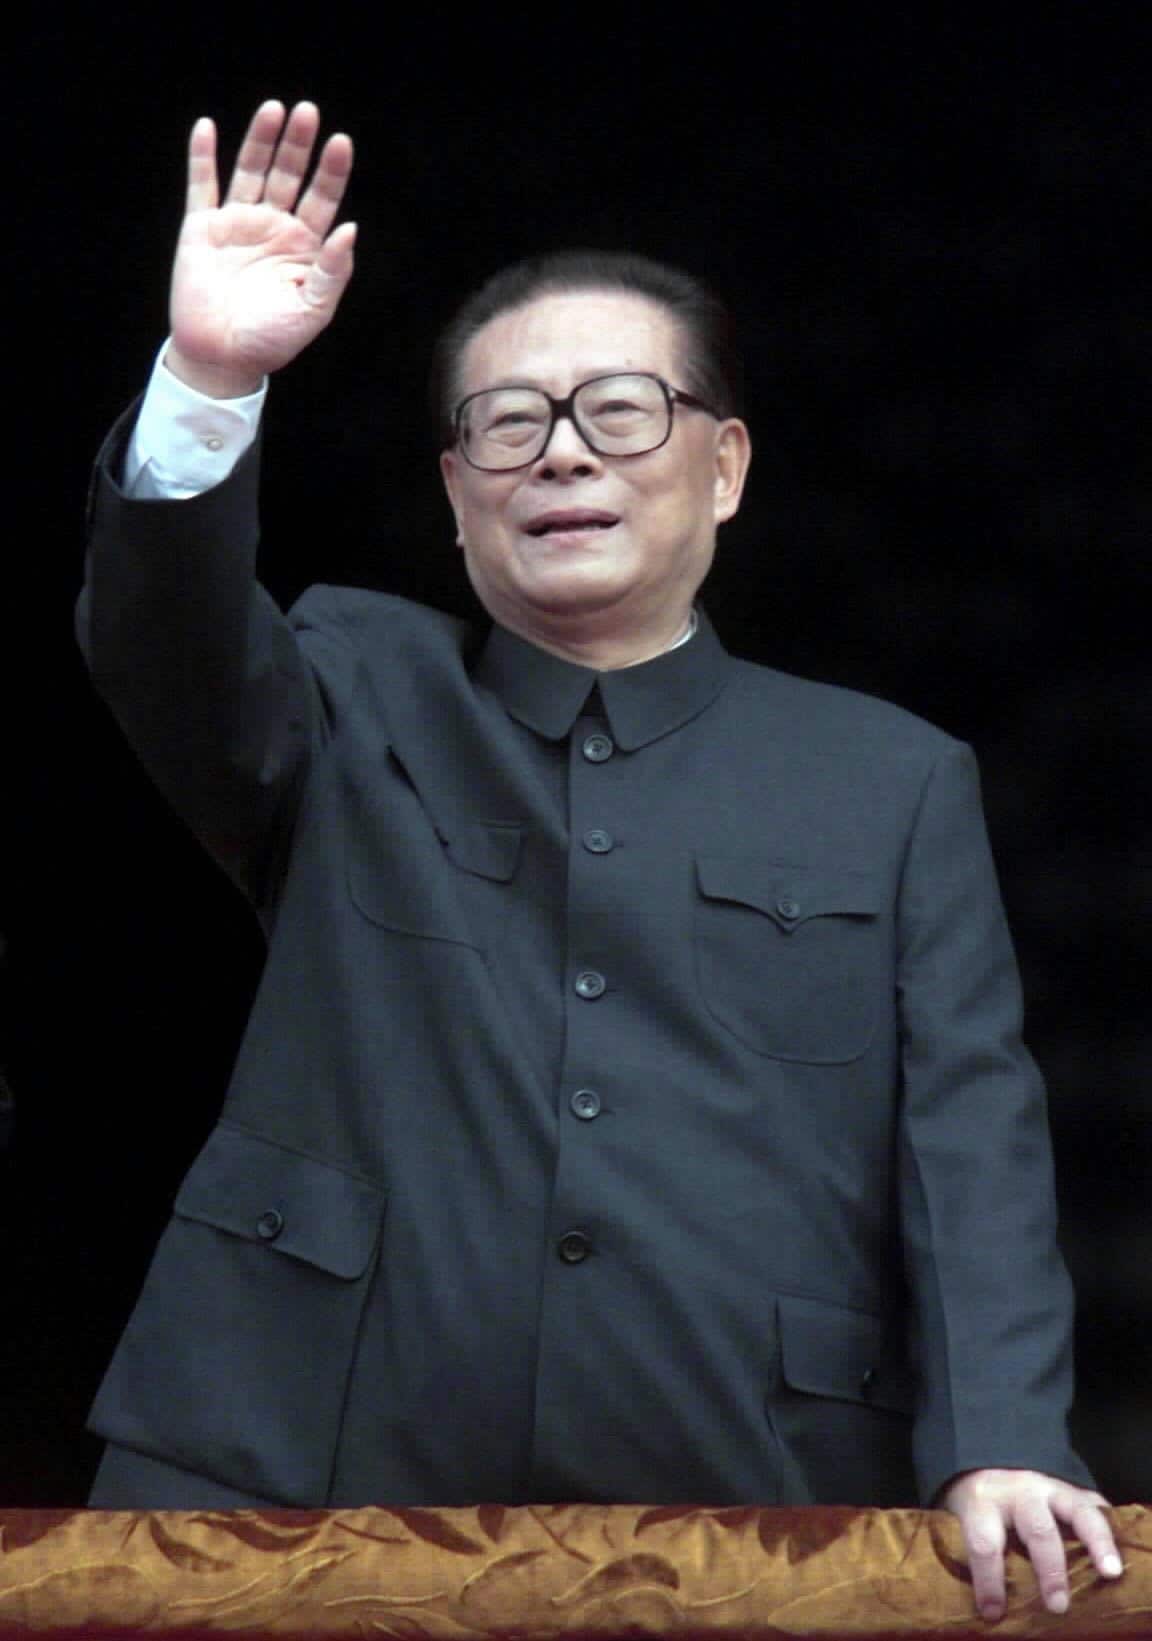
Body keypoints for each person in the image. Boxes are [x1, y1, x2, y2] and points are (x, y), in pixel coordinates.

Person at [78, 100, 1123, 1623]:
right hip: (294, 1463)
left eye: (620, 409)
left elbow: (965, 1131)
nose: (560, 452)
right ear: (455, 495)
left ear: (727, 464)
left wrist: (1007, 1435)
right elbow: (163, 647)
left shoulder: (891, 778)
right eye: (507, 422)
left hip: (746, 1490)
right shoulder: (348, 685)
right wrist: (214, 378)